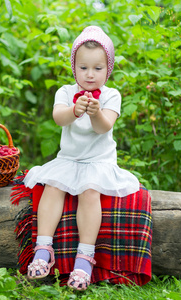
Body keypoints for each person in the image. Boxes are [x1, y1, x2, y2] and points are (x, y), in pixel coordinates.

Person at [23, 25, 140, 291]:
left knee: (90, 192)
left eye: (98, 69)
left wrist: (96, 112)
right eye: (83, 68)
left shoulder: (111, 95)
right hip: (69, 160)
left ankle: (85, 257)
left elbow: (104, 127)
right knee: (53, 186)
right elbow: (58, 118)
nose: (90, 75)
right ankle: (43, 248)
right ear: (74, 67)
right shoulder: (65, 92)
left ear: (107, 70)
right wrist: (75, 111)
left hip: (99, 163)